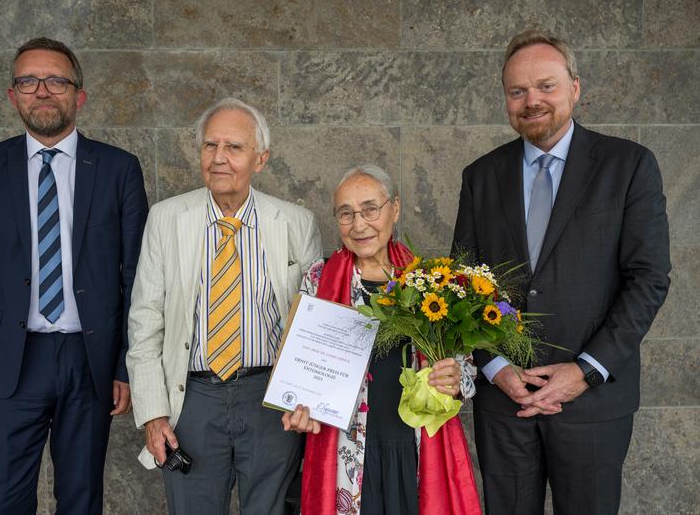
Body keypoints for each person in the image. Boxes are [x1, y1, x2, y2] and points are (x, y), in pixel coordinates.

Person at [452, 29, 671, 515]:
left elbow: (649, 278)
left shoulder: (629, 165)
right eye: (518, 91)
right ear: (505, 100)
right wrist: (496, 368)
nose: (532, 101)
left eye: (546, 86)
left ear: (575, 87)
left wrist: (586, 371)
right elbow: (464, 288)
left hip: (593, 402)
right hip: (504, 401)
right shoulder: (480, 177)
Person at [0, 37, 149, 513]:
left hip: (90, 359)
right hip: (10, 366)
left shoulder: (119, 169)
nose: (42, 90)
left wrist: (125, 364)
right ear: (12, 95)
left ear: (78, 95)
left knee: (81, 500)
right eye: (27, 81)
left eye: (56, 80)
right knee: (3, 500)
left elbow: (137, 277)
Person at [126, 97, 323, 515]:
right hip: (193, 399)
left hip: (271, 398)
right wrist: (153, 413)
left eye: (233, 147)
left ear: (261, 159)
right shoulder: (166, 219)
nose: (219, 158)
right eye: (210, 146)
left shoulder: (295, 223)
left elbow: (313, 323)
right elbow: (145, 322)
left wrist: (308, 398)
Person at [282, 165, 481, 515]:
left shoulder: (431, 281)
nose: (359, 225)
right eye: (346, 214)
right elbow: (297, 368)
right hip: (345, 452)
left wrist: (454, 379)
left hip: (415, 449)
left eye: (370, 209)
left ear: (395, 208)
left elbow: (465, 372)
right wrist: (295, 406)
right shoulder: (318, 279)